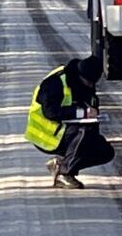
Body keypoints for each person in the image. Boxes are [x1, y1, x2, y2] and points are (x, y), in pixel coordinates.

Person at [25, 55, 115, 189]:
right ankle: (64, 173)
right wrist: (82, 113)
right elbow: (50, 112)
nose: (90, 86)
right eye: (88, 83)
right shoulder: (55, 82)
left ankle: (61, 165)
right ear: (80, 76)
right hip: (46, 133)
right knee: (83, 132)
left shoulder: (83, 84)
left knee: (105, 151)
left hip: (66, 130)